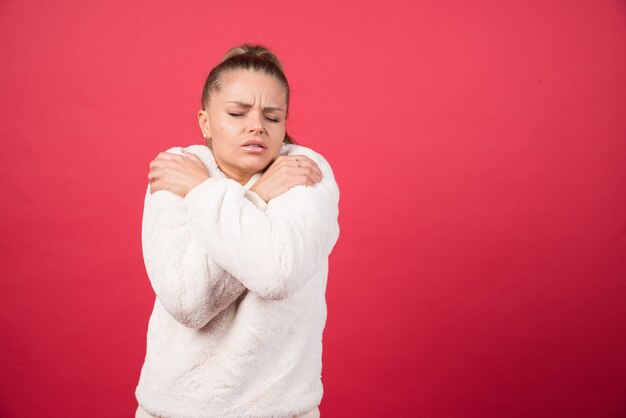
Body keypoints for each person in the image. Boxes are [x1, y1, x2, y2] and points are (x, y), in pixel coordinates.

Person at [134, 44, 340, 418]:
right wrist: (255, 197)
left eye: (273, 117)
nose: (256, 125)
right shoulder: (178, 171)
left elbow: (278, 274)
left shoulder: (306, 175)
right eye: (236, 112)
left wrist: (204, 195)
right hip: (172, 409)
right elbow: (189, 303)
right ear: (205, 122)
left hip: (281, 410)